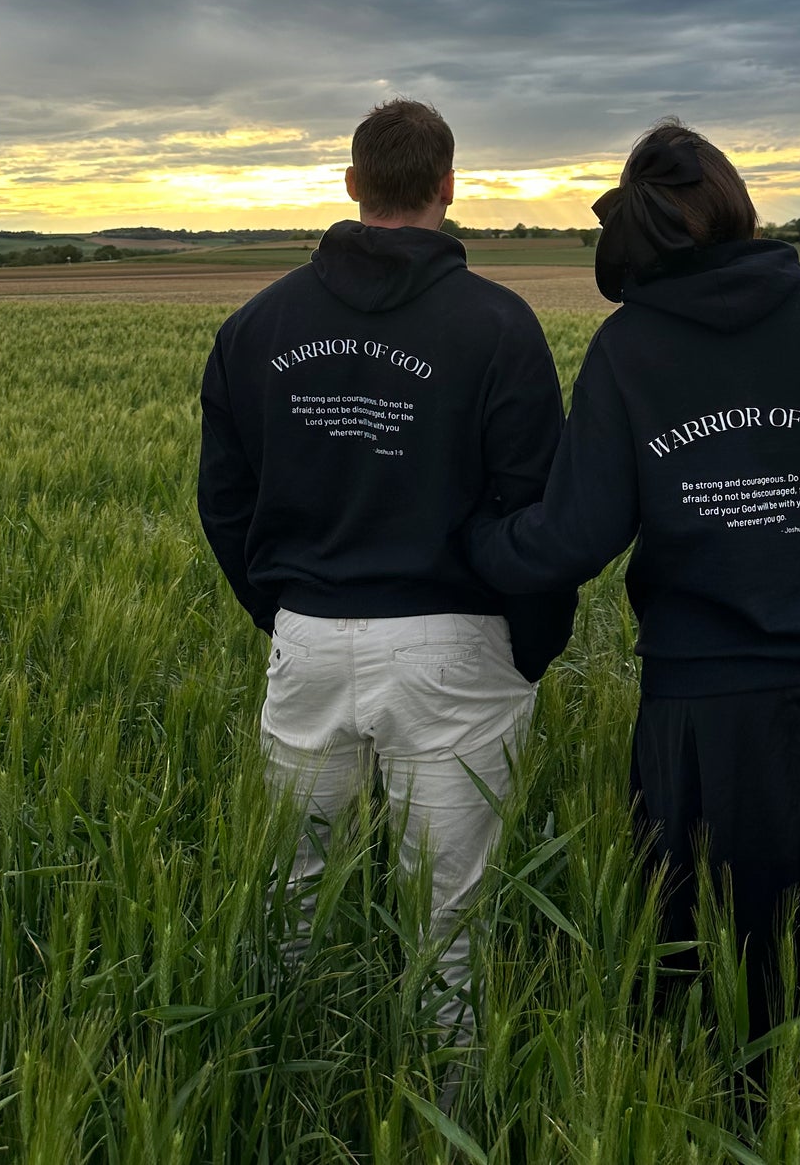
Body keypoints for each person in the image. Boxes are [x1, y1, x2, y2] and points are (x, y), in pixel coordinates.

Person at [464, 120, 800, 1035]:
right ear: (739, 206)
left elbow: (572, 538)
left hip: (705, 711)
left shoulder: (629, 348)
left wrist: (472, 541)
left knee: (705, 973)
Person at [197, 98, 576, 1044]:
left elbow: (224, 501)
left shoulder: (256, 324)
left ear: (353, 184)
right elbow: (538, 510)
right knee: (450, 924)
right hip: (456, 644)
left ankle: (289, 1097)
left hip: (309, 638)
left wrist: (288, 613)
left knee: (292, 905)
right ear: (448, 186)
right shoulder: (499, 324)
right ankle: (442, 1118)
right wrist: (525, 647)